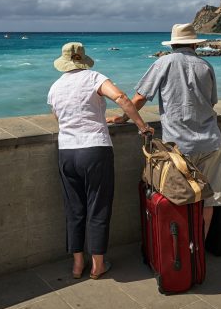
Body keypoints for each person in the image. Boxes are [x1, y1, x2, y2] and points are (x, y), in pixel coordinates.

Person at [108, 23, 221, 238]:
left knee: (179, 198)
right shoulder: (206, 65)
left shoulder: (164, 62)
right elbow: (212, 102)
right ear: (194, 44)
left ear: (173, 44)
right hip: (211, 141)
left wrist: (124, 117)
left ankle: (180, 250)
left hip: (179, 147)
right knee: (209, 198)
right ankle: (199, 248)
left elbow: (141, 97)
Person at [48, 42, 154, 280]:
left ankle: (77, 265)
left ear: (64, 62)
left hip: (67, 151)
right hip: (94, 149)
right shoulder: (94, 77)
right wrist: (142, 126)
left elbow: (59, 118)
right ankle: (97, 265)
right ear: (83, 59)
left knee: (74, 209)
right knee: (98, 207)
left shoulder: (55, 87)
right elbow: (121, 97)